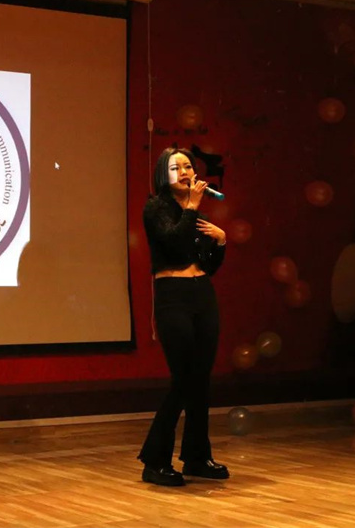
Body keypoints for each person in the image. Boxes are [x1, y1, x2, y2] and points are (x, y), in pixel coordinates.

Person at [138, 147, 229, 487]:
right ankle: (155, 460)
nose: (185, 172)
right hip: (172, 295)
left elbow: (207, 264)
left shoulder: (194, 212)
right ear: (163, 175)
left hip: (201, 292)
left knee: (200, 378)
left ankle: (196, 456)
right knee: (183, 378)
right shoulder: (156, 208)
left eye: (188, 166)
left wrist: (220, 242)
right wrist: (191, 207)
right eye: (176, 167)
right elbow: (174, 245)